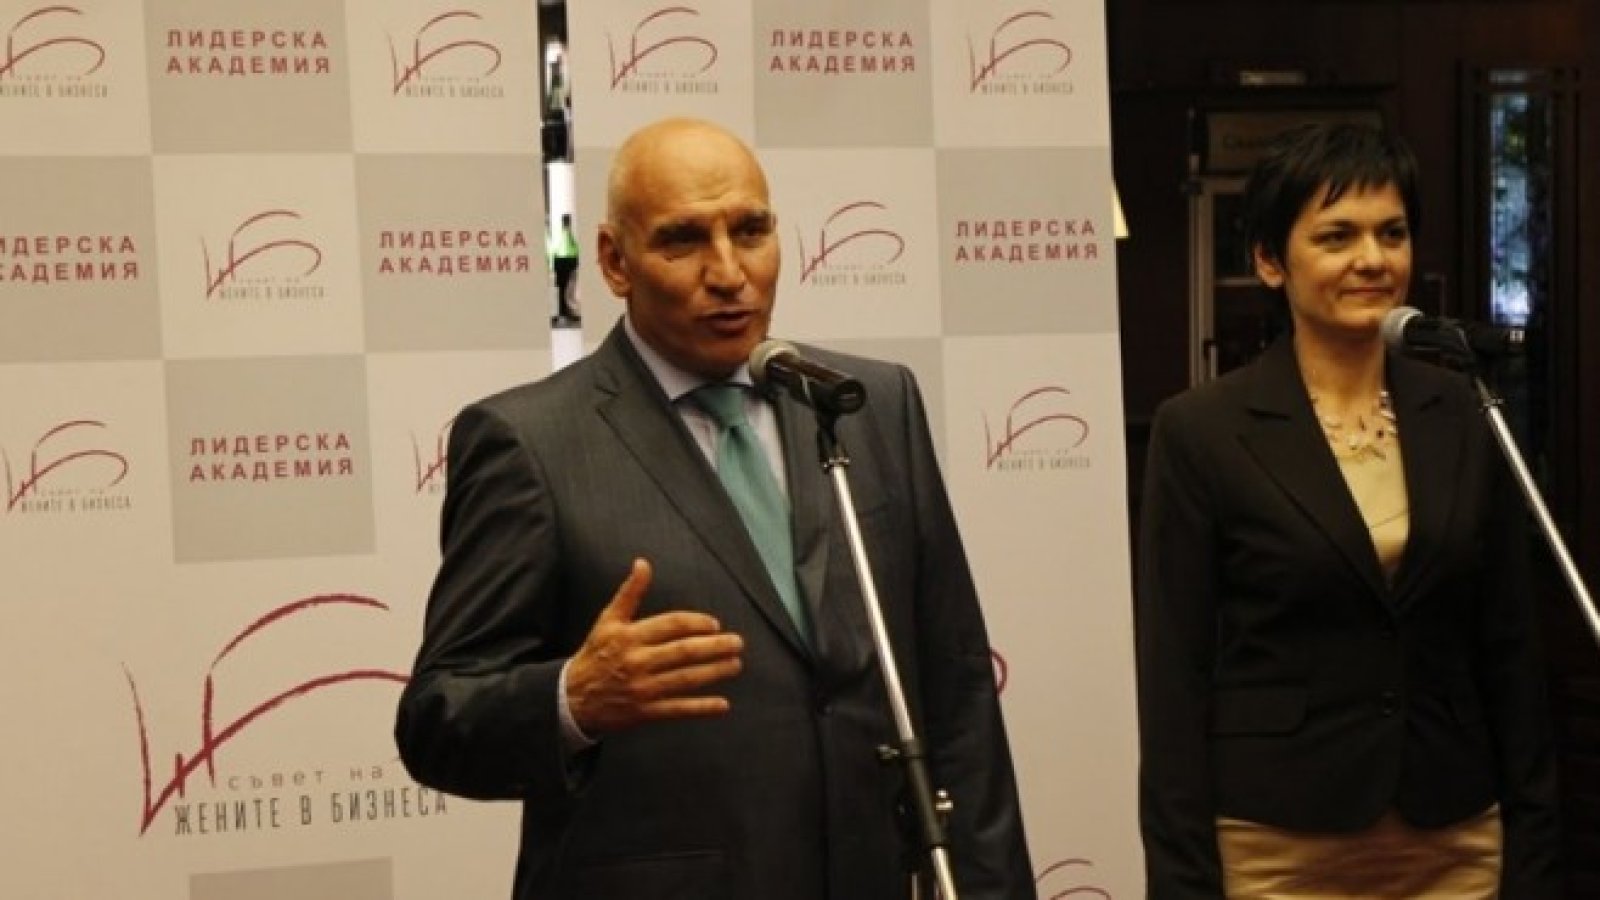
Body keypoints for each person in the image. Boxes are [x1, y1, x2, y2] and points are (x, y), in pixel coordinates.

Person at [395, 117, 1035, 900]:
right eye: (684, 240)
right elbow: (438, 718)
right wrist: (571, 700)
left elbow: (958, 692)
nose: (730, 272)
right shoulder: (530, 442)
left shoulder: (865, 404)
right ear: (614, 261)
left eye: (751, 231)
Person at [1135, 122, 1562, 898]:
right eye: (1337, 237)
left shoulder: (1465, 412)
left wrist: (1533, 853)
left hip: (1456, 838)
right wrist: (1182, 879)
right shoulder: (1201, 430)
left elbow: (1512, 653)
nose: (1372, 259)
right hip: (1278, 846)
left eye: (1391, 233)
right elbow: (1175, 680)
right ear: (1271, 261)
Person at [548, 212, 580, 324]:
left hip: (567, 263)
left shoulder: (566, 240)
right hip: (563, 263)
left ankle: (567, 312)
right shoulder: (562, 240)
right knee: (562, 289)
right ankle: (563, 312)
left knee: (568, 289)